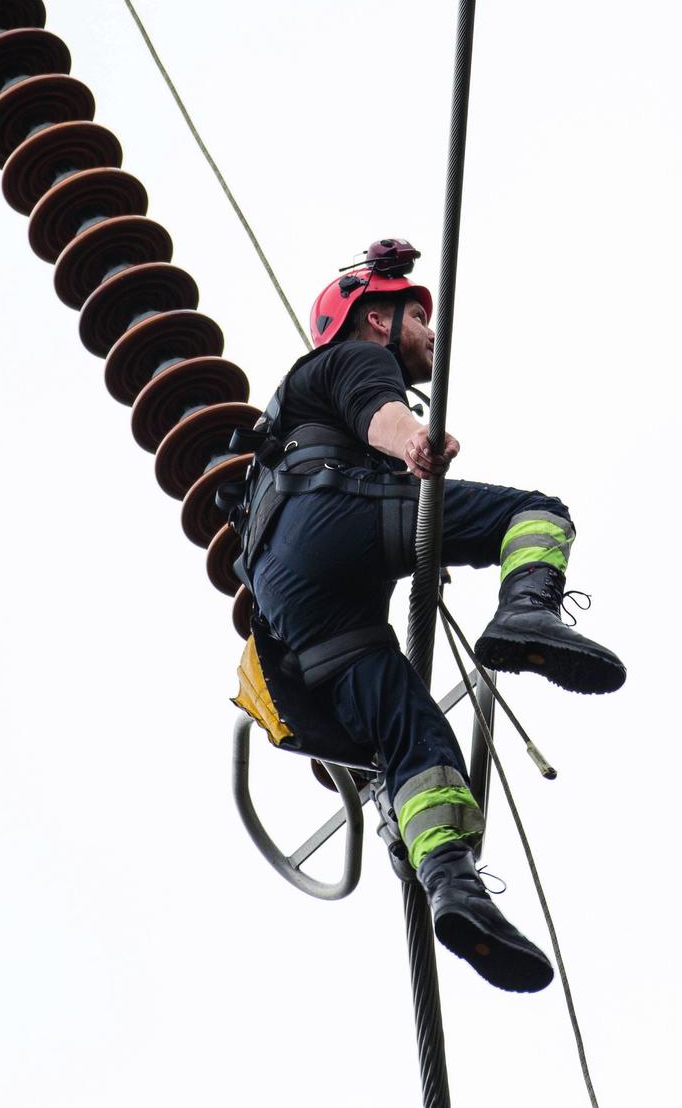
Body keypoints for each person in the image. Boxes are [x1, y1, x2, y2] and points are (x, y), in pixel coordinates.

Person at [229, 240, 625, 993]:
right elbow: (375, 413)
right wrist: (411, 440)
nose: (430, 334)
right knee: (535, 514)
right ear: (376, 318)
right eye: (418, 316)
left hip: (294, 611)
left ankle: (453, 885)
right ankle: (528, 615)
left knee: (418, 743)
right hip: (332, 523)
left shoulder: (277, 437)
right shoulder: (351, 360)